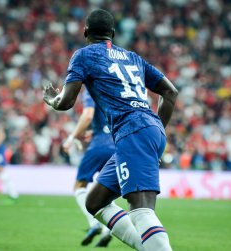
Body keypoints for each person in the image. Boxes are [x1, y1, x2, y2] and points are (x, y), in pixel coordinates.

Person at [43, 9, 178, 251]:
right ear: (113, 34)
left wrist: (52, 100)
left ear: (85, 31)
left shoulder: (83, 56)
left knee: (141, 210)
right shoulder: (133, 57)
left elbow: (66, 102)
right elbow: (170, 92)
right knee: (95, 202)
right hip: (145, 130)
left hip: (133, 131)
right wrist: (156, 128)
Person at [62, 89, 115, 247]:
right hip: (116, 147)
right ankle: (107, 230)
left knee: (79, 186)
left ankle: (94, 224)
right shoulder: (112, 89)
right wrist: (95, 130)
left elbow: (88, 115)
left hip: (98, 147)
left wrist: (72, 137)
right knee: (105, 192)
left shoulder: (91, 90)